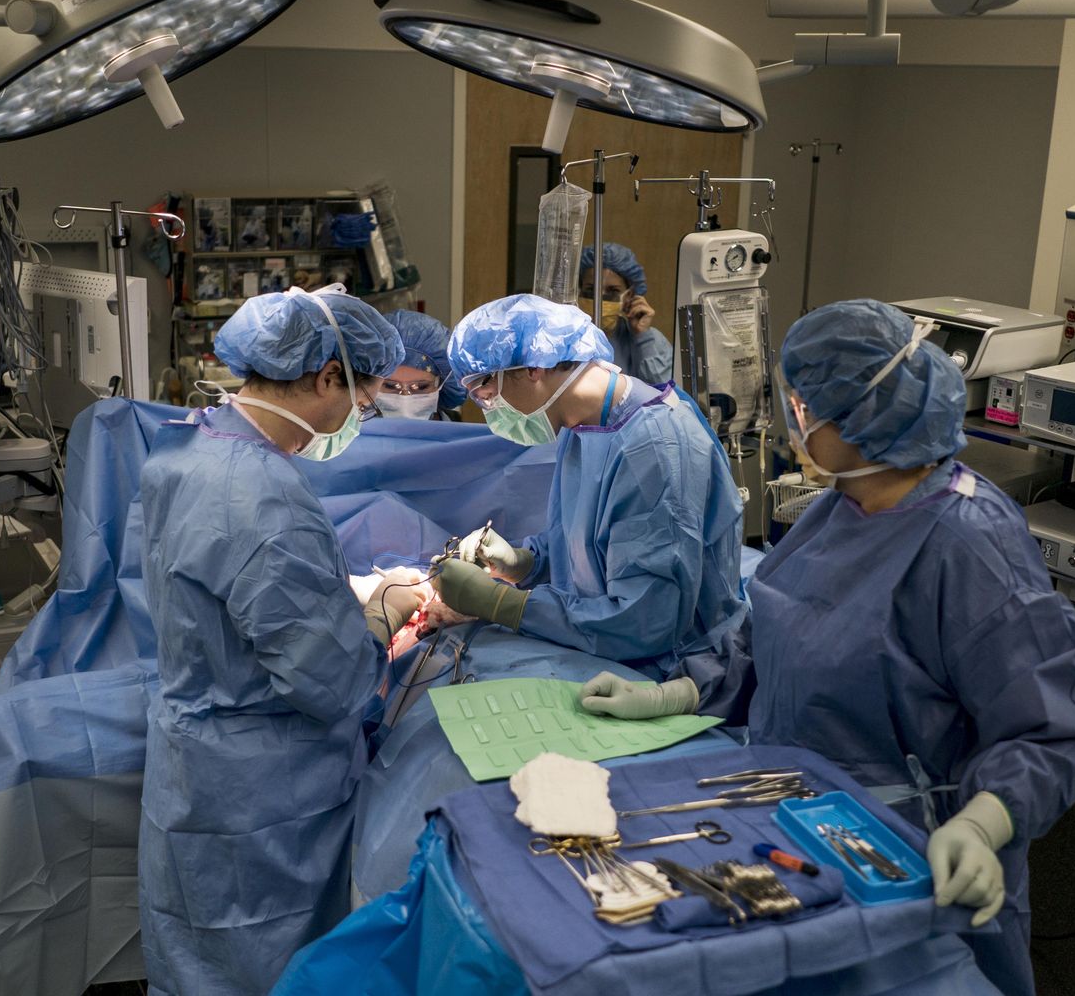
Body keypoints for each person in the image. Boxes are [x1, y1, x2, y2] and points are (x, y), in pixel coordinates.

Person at [583, 299, 1075, 996]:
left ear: (859, 420)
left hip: (913, 864)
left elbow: (1053, 734)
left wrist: (985, 825)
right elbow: (769, 641)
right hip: (796, 822)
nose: (793, 416)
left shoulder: (969, 546)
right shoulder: (838, 507)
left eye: (803, 403)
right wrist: (672, 692)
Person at [138, 286, 420, 996]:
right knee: (268, 972)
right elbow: (329, 680)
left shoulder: (188, 447)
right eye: (361, 394)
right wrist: (389, 610)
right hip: (263, 799)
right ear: (326, 376)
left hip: (193, 769)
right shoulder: (266, 494)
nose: (363, 411)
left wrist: (336, 593)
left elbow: (228, 590)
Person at [434, 294, 746, 712]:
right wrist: (525, 562)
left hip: (665, 674)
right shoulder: (584, 425)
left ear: (534, 368)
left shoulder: (654, 446)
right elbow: (594, 547)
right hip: (602, 647)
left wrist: (500, 604)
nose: (489, 409)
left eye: (486, 391)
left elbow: (646, 620)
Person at [577, 242, 673, 386]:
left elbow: (664, 393)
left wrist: (642, 337)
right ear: (578, 290)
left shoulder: (652, 341)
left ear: (630, 295)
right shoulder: (568, 337)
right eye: (591, 289)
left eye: (613, 291)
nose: (600, 297)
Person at [376, 309, 469, 421]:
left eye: (420, 387)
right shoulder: (353, 435)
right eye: (390, 386)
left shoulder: (459, 436)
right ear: (368, 384)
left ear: (441, 384)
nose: (405, 399)